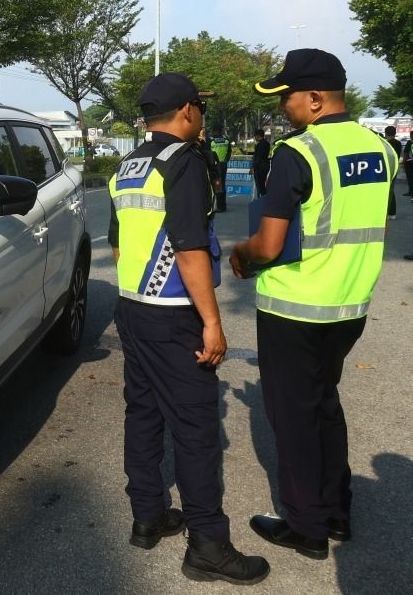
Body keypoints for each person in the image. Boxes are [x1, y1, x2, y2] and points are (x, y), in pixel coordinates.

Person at [229, 48, 398, 560]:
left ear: (316, 98)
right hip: (350, 306)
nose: (284, 106)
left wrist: (242, 255)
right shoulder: (382, 150)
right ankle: (337, 511)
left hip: (294, 307)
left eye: (287, 97)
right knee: (325, 403)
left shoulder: (298, 153)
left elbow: (270, 244)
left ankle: (305, 526)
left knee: (293, 416)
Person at [108, 72, 269, 586]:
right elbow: (190, 246)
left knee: (144, 413)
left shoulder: (126, 166)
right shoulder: (183, 163)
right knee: (197, 430)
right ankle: (207, 545)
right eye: (199, 106)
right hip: (173, 313)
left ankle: (148, 517)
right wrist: (212, 323)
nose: (201, 113)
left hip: (132, 307)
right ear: (184, 112)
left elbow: (116, 244)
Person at [207, 123, 232, 212]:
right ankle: (222, 205)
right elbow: (229, 152)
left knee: (216, 185)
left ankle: (219, 206)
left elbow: (207, 153)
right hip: (223, 164)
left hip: (214, 165)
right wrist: (225, 160)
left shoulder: (210, 140)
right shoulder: (226, 140)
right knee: (222, 184)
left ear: (214, 130)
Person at [384, 126, 401, 219]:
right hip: (395, 167)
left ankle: (388, 212)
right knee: (391, 189)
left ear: (386, 133)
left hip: (387, 168)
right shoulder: (398, 143)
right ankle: (392, 213)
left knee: (387, 190)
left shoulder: (386, 144)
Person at [251, 129, 271, 196]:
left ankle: (262, 201)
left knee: (260, 185)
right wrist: (248, 153)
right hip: (265, 165)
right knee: (262, 184)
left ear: (257, 135)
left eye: (255, 136)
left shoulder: (260, 144)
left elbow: (259, 157)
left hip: (260, 167)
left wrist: (253, 167)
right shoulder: (266, 143)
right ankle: (263, 200)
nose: (255, 138)